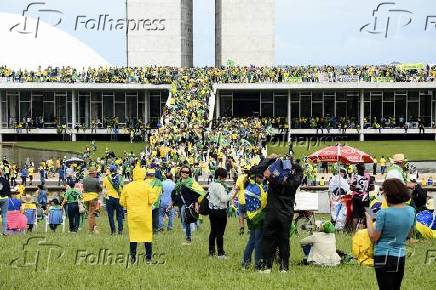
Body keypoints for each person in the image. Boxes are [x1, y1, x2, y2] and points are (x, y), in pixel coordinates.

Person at [366, 179, 415, 290]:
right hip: (400, 256)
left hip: (383, 256)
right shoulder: (411, 211)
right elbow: (408, 234)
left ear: (389, 194)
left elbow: (374, 237)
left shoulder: (383, 213)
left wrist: (369, 220)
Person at [260, 156, 303, 273]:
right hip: (286, 212)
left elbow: (261, 170)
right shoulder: (295, 178)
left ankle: (267, 266)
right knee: (284, 239)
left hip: (272, 211)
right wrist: (294, 165)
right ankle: (284, 267)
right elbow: (298, 175)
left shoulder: (273, 178)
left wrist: (270, 159)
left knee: (268, 239)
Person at [120, 166, 157, 264]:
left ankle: (133, 258)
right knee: (147, 236)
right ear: (144, 174)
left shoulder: (127, 187)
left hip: (133, 216)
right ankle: (148, 259)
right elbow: (152, 200)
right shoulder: (148, 186)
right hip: (145, 216)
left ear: (133, 174)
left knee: (133, 237)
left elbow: (122, 202)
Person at [172, 165, 205, 245]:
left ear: (189, 173)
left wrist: (196, 204)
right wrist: (172, 204)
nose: (185, 173)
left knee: (187, 221)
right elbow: (176, 194)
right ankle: (188, 237)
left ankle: (188, 239)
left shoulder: (191, 182)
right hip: (181, 205)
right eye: (183, 171)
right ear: (180, 172)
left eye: (187, 172)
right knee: (185, 221)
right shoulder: (179, 182)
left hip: (189, 205)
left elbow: (196, 193)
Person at [208, 168, 237, 258]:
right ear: (220, 177)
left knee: (213, 232)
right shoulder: (220, 186)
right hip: (220, 211)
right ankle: (221, 253)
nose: (225, 179)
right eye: (224, 177)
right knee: (220, 233)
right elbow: (224, 199)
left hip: (212, 210)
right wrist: (233, 191)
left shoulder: (212, 184)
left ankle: (211, 252)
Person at [242, 169, 267, 270]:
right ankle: (258, 265)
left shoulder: (248, 186)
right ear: (256, 177)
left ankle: (246, 263)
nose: (263, 179)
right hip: (258, 217)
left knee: (251, 240)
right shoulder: (258, 188)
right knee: (258, 241)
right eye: (261, 177)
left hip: (250, 216)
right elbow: (264, 202)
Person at [350, 163, 374, 230]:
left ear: (357, 169)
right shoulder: (368, 176)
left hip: (356, 197)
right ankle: (368, 229)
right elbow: (372, 188)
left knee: (355, 215)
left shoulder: (355, 176)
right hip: (366, 197)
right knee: (368, 214)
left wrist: (358, 189)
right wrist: (366, 190)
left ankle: (354, 232)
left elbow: (351, 188)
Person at [103, 165, 124, 235]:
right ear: (116, 170)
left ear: (110, 170)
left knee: (110, 215)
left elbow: (104, 188)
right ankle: (120, 230)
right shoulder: (120, 177)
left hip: (109, 198)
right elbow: (122, 187)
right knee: (120, 214)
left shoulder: (106, 178)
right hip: (118, 197)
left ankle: (113, 231)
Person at [82, 167, 102, 234]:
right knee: (91, 214)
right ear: (92, 173)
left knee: (90, 214)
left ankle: (94, 227)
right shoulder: (96, 180)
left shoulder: (84, 180)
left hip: (86, 198)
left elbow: (84, 189)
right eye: (95, 173)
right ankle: (92, 229)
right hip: (93, 198)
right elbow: (100, 189)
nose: (96, 174)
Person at [235, 166, 250, 235]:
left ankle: (242, 228)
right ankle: (250, 229)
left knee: (241, 215)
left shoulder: (240, 178)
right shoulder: (251, 178)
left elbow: (237, 188)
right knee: (249, 215)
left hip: (241, 199)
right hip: (249, 200)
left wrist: (233, 197)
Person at [0, 169, 11, 235]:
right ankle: (4, 232)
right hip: (5, 198)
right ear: (1, 173)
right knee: (4, 215)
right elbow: (8, 190)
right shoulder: (5, 180)